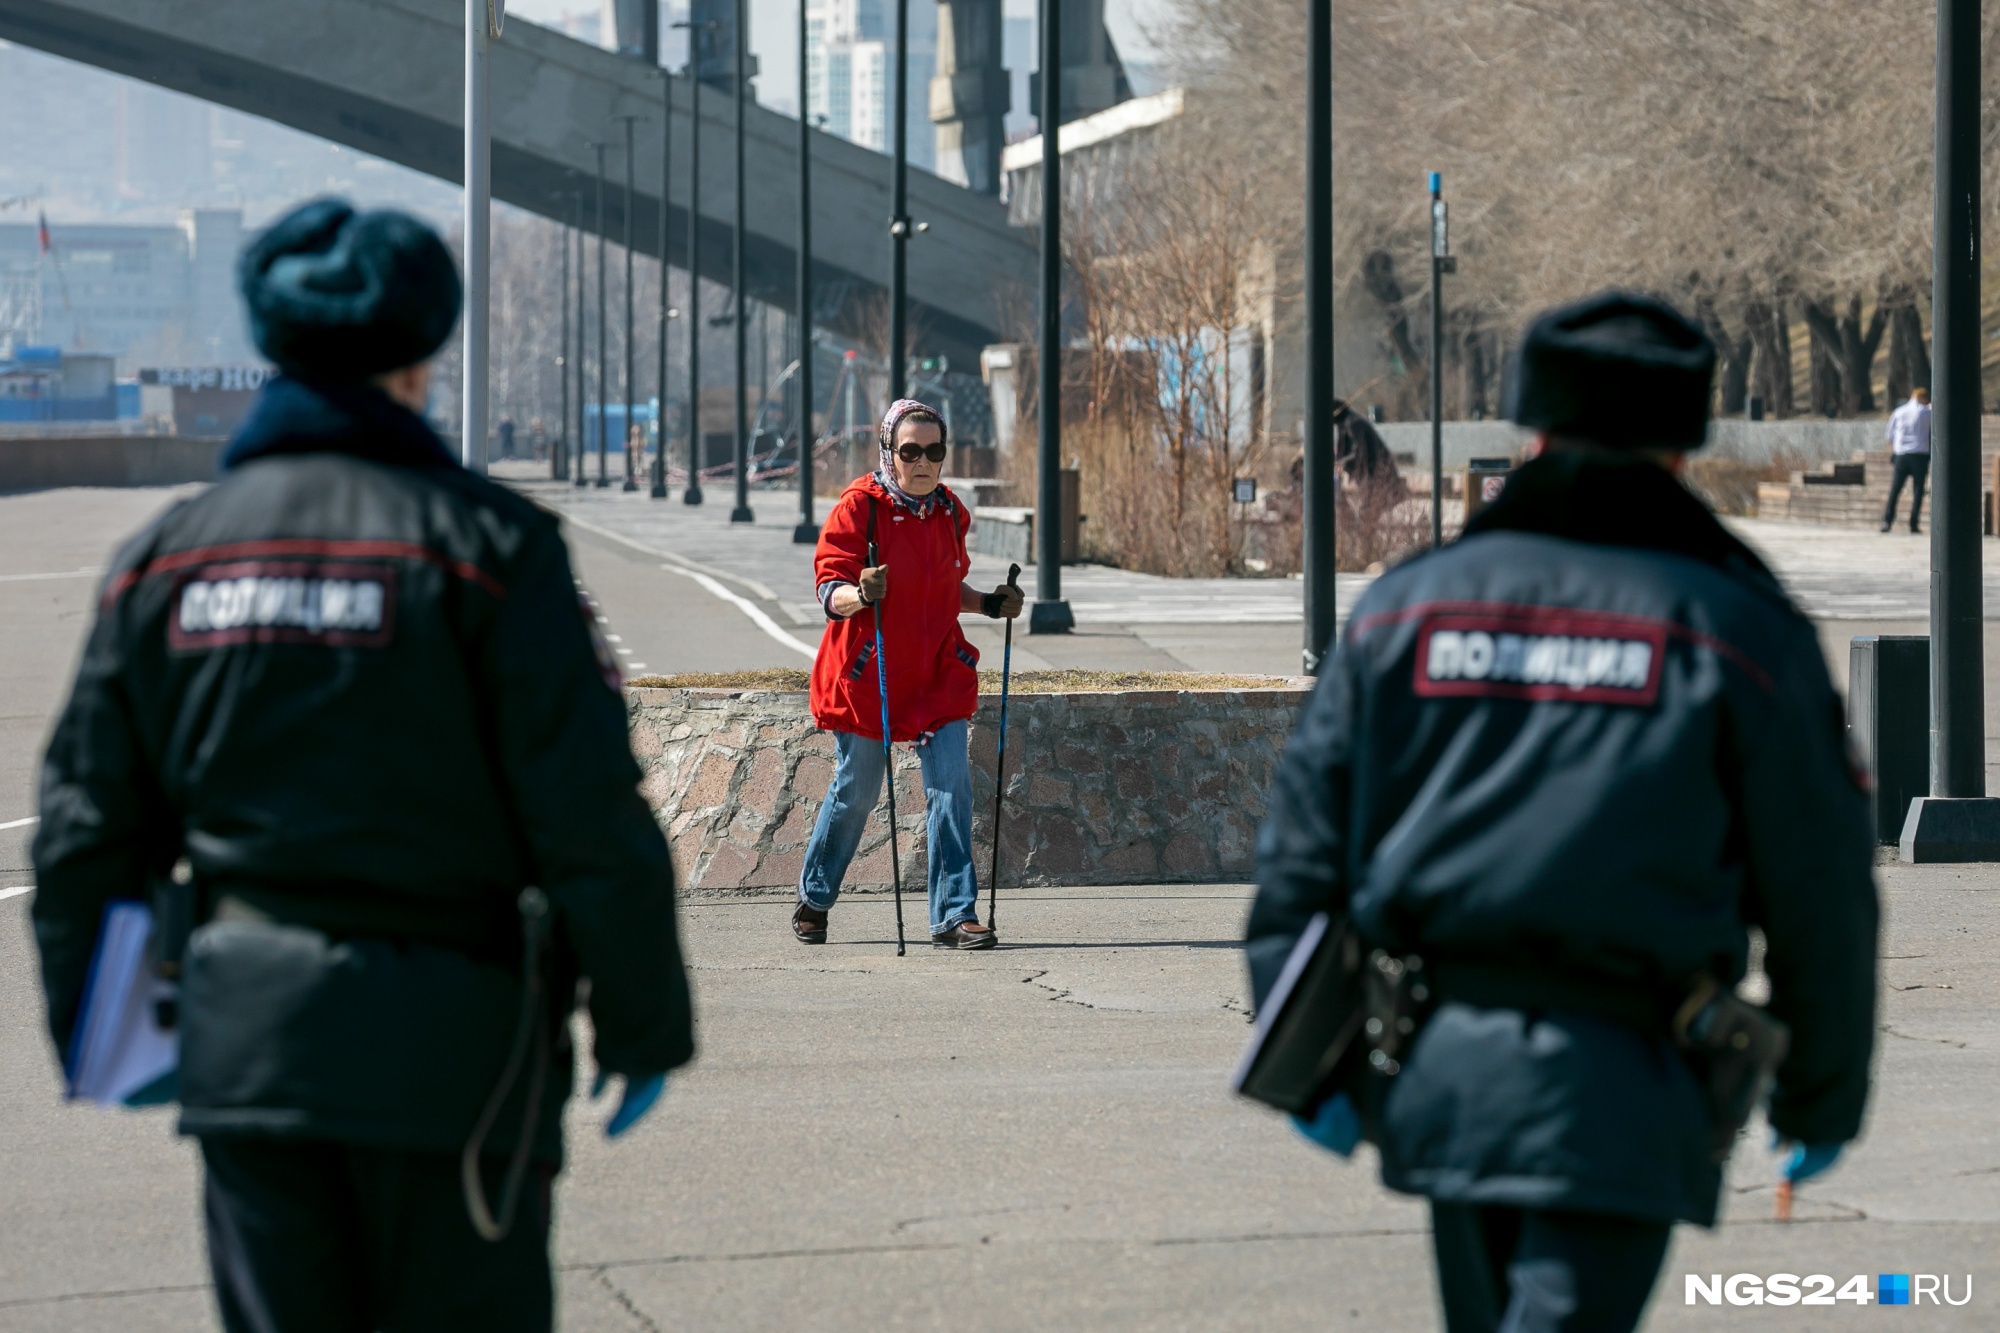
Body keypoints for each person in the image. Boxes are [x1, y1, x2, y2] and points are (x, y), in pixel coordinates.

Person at [31, 198, 694, 1333]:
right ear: (418, 361)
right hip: (458, 1054)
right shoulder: (491, 550)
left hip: (253, 1053)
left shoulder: (168, 560)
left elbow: (86, 825)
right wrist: (641, 1022)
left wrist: (102, 1027)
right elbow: (584, 810)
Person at [1247, 292, 1877, 1333]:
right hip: (1631, 1085)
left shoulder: (1409, 608)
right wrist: (1821, 1089)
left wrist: (1299, 1048)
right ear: (1682, 444)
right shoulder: (1736, 629)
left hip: (1438, 1069)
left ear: (1528, 432)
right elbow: (1820, 890)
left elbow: (1300, 853)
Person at [794, 398, 1023, 949]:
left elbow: (946, 588)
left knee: (952, 789)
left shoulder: (950, 512)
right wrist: (859, 592)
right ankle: (815, 897)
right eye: (910, 451)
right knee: (857, 791)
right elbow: (830, 590)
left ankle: (954, 916)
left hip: (936, 674)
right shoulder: (858, 508)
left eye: (933, 451)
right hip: (869, 675)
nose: (922, 461)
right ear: (889, 453)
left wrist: (991, 604)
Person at [1881, 385, 1930, 533]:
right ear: (1923, 398)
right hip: (1920, 455)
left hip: (1901, 455)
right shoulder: (1926, 412)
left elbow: (1889, 435)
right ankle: (1913, 523)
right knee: (1918, 490)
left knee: (1895, 489)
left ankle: (1887, 521)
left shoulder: (1899, 412)